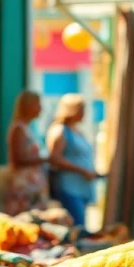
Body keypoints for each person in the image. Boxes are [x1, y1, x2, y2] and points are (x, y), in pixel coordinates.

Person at [46, 94, 98, 227]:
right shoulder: (60, 130)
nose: (83, 113)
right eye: (80, 109)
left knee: (81, 225)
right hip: (68, 187)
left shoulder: (77, 131)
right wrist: (82, 170)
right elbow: (55, 159)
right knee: (76, 225)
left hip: (82, 187)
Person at [3, 90, 48, 215]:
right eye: (37, 104)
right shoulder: (19, 129)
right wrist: (46, 159)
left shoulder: (29, 128)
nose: (41, 108)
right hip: (23, 186)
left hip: (32, 186)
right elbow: (18, 158)